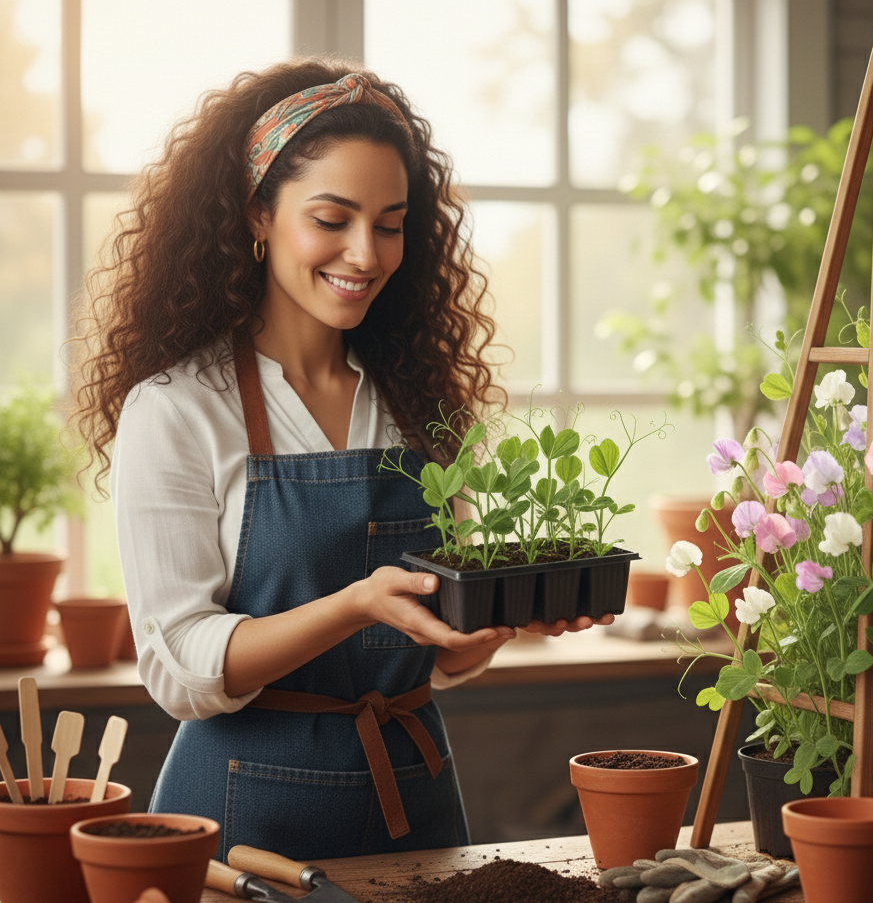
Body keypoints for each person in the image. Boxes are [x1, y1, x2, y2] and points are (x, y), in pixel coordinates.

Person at [71, 57, 613, 863]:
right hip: (238, 820)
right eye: (332, 218)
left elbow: (435, 648)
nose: (365, 254)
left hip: (416, 801)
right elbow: (180, 666)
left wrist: (495, 626)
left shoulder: (417, 400)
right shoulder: (181, 407)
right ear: (258, 215)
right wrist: (355, 603)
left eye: (390, 224)